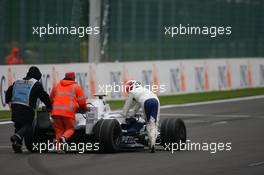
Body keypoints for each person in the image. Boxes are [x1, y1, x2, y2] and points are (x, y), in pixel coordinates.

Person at [5, 66, 52, 153]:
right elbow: (44, 96)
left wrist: (9, 102)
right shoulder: (36, 84)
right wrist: (50, 105)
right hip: (26, 107)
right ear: (37, 76)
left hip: (15, 106)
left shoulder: (17, 82)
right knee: (29, 125)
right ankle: (17, 136)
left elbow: (8, 93)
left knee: (19, 125)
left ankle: (17, 146)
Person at [50, 72, 87, 153]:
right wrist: (84, 110)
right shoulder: (76, 87)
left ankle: (58, 148)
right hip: (68, 112)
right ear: (74, 78)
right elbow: (82, 102)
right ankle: (64, 138)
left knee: (59, 129)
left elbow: (51, 99)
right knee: (70, 128)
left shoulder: (56, 86)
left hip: (56, 112)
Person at [122, 80, 160, 153]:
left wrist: (124, 116)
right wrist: (131, 115)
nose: (128, 89)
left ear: (132, 86)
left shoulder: (133, 92)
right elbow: (137, 107)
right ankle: (153, 143)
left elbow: (127, 106)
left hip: (146, 102)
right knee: (154, 123)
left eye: (128, 87)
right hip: (156, 100)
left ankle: (150, 142)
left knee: (148, 122)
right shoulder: (144, 90)